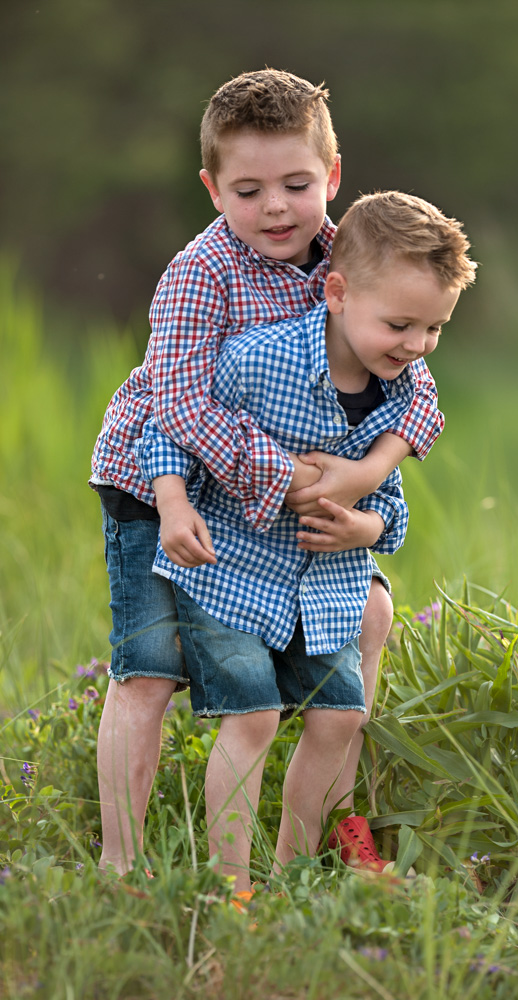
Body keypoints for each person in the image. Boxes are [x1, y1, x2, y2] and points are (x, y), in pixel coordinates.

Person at [90, 69, 445, 877]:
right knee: (148, 668)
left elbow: (415, 387)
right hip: (159, 481)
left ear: (334, 176)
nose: (277, 208)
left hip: (298, 492)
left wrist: (365, 478)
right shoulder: (200, 274)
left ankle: (330, 838)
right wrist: (284, 476)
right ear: (214, 189)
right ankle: (121, 867)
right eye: (249, 190)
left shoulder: (351, 256)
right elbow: (177, 404)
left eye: (296, 183)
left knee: (370, 624)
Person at [136, 190, 477, 891]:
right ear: (337, 291)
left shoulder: (402, 386)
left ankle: (298, 869)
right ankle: (231, 885)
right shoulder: (260, 361)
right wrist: (172, 504)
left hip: (326, 585)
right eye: (400, 325)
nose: (416, 346)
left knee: (341, 717)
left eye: (434, 329)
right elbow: (169, 427)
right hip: (234, 575)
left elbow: (390, 505)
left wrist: (366, 524)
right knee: (253, 718)